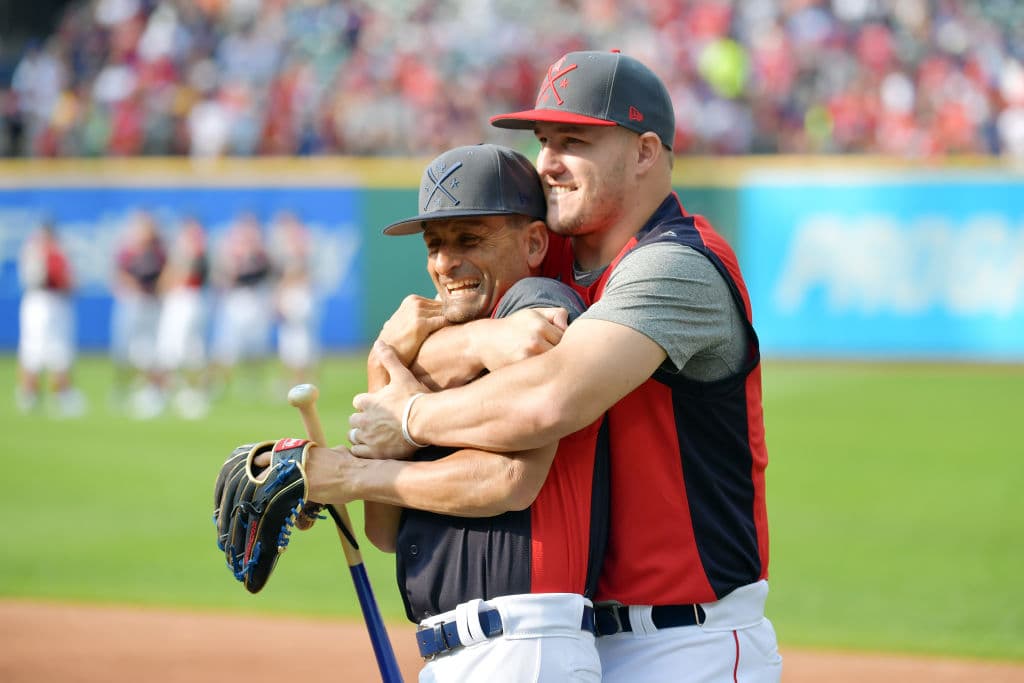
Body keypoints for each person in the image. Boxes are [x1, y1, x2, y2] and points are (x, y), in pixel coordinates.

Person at [349, 50, 782, 682]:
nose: (547, 162)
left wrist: (410, 417)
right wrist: (478, 345)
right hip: (576, 632)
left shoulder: (677, 264)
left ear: (644, 151)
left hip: (688, 643)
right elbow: (416, 334)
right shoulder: (548, 256)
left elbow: (549, 399)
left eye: (573, 141)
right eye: (544, 140)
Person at [256, 144, 608, 682]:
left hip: (523, 643)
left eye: (469, 239)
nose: (445, 262)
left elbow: (507, 479)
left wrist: (354, 473)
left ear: (534, 241)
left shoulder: (537, 304)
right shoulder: (432, 340)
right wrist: (383, 359)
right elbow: (385, 530)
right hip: (461, 649)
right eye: (435, 244)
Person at [16, 220, 86, 417]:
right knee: (33, 349)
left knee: (59, 350)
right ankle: (29, 393)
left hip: (56, 303)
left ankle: (61, 394)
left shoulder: (59, 253)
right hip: (41, 302)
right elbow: (43, 279)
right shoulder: (35, 252)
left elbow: (71, 281)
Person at [209, 211, 274, 399]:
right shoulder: (230, 251)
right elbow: (222, 277)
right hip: (235, 300)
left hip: (256, 299)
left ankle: (251, 382)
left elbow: (269, 275)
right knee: (226, 347)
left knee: (255, 347)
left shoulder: (261, 253)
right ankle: (218, 383)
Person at [110, 210, 167, 418]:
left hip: (151, 303)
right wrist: (132, 287)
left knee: (150, 350)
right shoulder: (128, 251)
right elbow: (119, 275)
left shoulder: (158, 251)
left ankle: (152, 390)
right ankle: (122, 388)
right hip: (132, 302)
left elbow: (165, 274)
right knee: (125, 349)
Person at [155, 215, 211, 419]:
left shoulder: (195, 248)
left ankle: (190, 392)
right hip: (178, 299)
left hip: (187, 299)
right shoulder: (183, 248)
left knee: (187, 349)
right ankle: (166, 392)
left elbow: (184, 275)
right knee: (171, 349)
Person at [269, 211, 319, 388]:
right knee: (289, 340)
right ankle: (295, 380)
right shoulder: (284, 246)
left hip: (299, 294)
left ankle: (302, 380)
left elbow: (295, 273)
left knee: (300, 340)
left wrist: (279, 294)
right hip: (292, 294)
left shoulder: (300, 243)